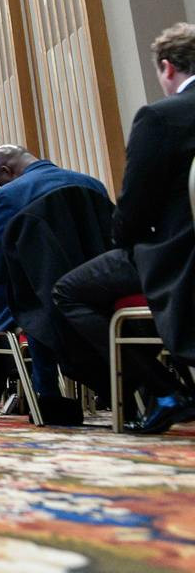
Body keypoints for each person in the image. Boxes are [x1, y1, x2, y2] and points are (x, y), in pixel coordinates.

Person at [54, 23, 195, 434]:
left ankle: (164, 390)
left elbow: (134, 204)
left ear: (167, 68)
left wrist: (120, 241)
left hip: (175, 255)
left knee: (69, 291)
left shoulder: (161, 116)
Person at [0, 145, 106, 421]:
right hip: (87, 290)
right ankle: (47, 393)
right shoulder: (91, 184)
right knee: (34, 296)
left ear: (6, 171)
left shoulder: (9, 194)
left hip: (32, 292)